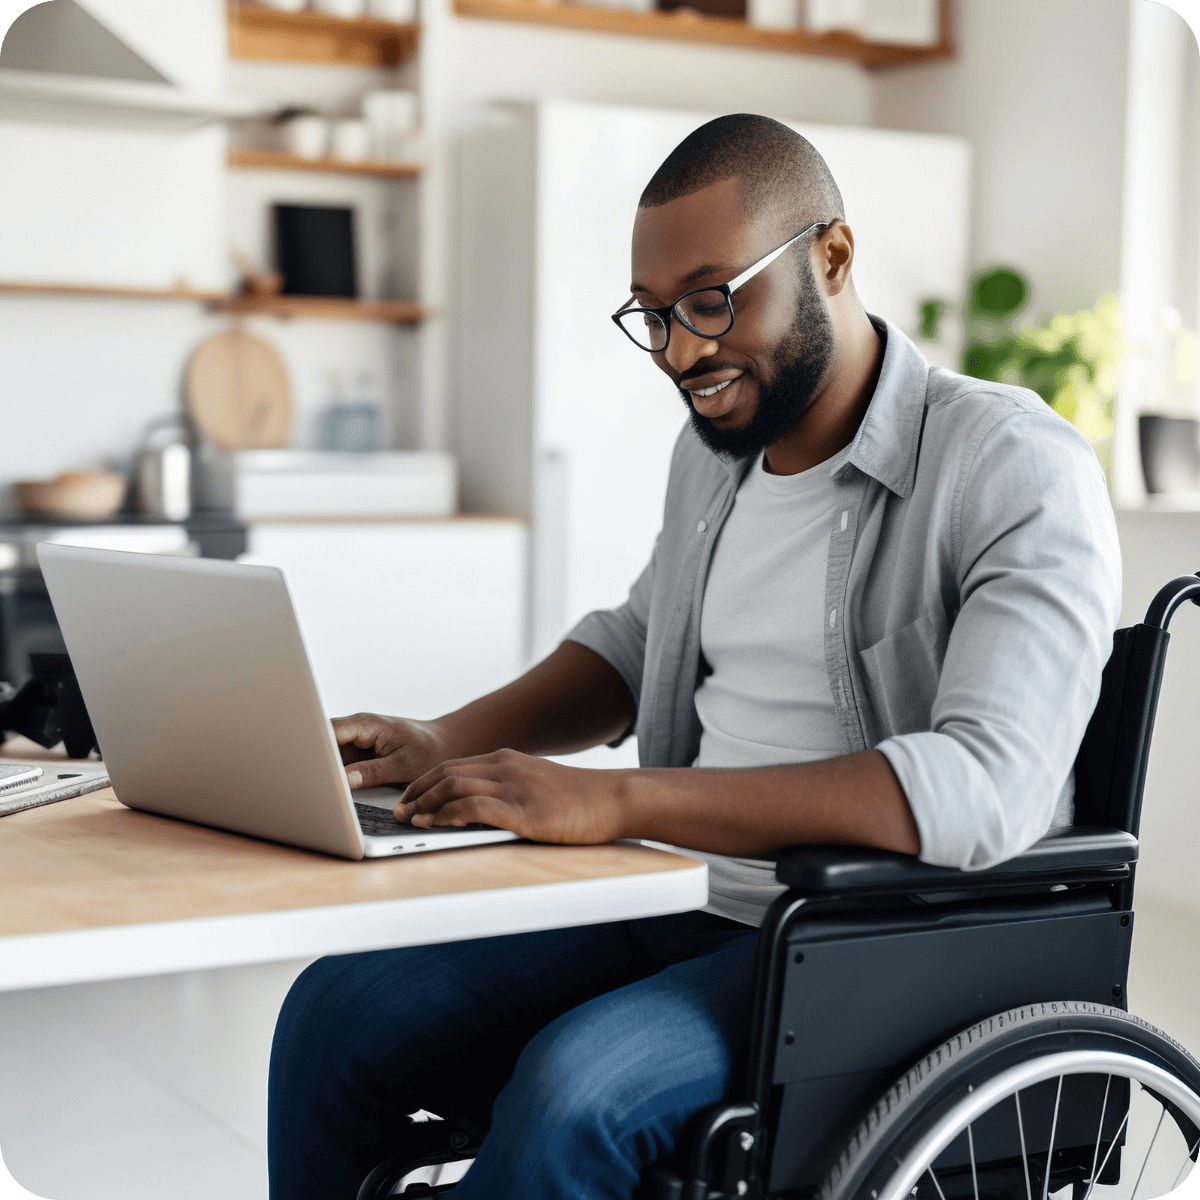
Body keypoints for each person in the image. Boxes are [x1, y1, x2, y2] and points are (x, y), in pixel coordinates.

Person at [266, 114, 1120, 1198]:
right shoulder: (714, 460)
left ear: (833, 258)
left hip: (867, 943)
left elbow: (982, 788)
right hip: (680, 893)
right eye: (656, 316)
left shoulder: (1010, 465)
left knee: (575, 1096)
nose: (682, 352)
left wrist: (618, 800)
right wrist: (447, 736)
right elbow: (635, 644)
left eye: (715, 300)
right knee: (333, 1014)